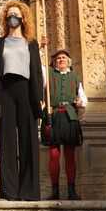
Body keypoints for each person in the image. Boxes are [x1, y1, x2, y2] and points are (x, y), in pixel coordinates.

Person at [0, 0, 43, 201]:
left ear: (22, 18)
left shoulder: (31, 43)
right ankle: (9, 191)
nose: (12, 17)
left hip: (26, 90)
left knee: (29, 139)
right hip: (5, 90)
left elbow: (37, 71)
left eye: (16, 14)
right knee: (7, 141)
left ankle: (29, 190)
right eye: (9, 14)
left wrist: (39, 98)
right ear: (6, 18)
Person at [43, 50, 86, 201]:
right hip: (53, 115)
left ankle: (71, 191)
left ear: (69, 61)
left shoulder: (75, 77)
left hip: (70, 117)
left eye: (64, 58)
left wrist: (81, 102)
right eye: (58, 58)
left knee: (70, 155)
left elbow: (82, 97)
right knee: (54, 155)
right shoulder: (47, 74)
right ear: (54, 62)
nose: (61, 60)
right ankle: (54, 191)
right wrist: (42, 47)